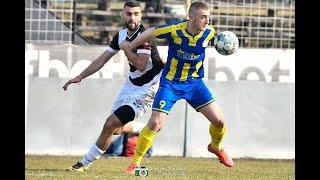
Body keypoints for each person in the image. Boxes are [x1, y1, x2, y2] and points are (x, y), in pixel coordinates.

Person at [120, 1, 234, 174]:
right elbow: (151, 32)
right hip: (171, 84)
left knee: (220, 121)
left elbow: (219, 40)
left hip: (194, 83)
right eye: (203, 17)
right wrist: (131, 46)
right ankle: (135, 163)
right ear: (191, 17)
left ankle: (215, 147)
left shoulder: (209, 33)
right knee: (156, 122)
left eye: (208, 17)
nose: (208, 21)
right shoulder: (175, 30)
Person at [63, 0, 164, 172]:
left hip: (148, 87)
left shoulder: (145, 35)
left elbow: (141, 64)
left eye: (136, 14)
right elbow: (102, 59)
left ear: (140, 15)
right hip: (131, 83)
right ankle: (147, 127)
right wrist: (81, 76)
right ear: (123, 14)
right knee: (115, 130)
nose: (132, 17)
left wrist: (125, 48)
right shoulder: (121, 35)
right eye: (129, 13)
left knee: (110, 123)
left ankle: (84, 162)